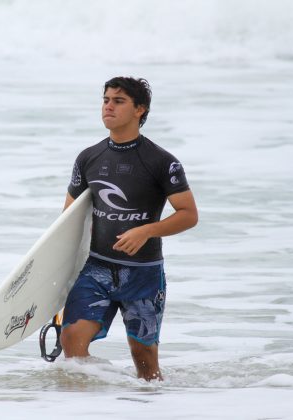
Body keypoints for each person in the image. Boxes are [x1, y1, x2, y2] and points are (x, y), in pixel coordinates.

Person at [60, 77, 198, 381]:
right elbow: (68, 221)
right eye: (106, 99)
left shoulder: (161, 162)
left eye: (118, 101)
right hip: (97, 268)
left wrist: (147, 231)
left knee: (145, 361)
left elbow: (189, 214)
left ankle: (145, 406)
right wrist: (55, 286)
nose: (108, 106)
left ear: (140, 110)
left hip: (143, 273)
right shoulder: (88, 158)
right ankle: (88, 404)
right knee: (71, 340)